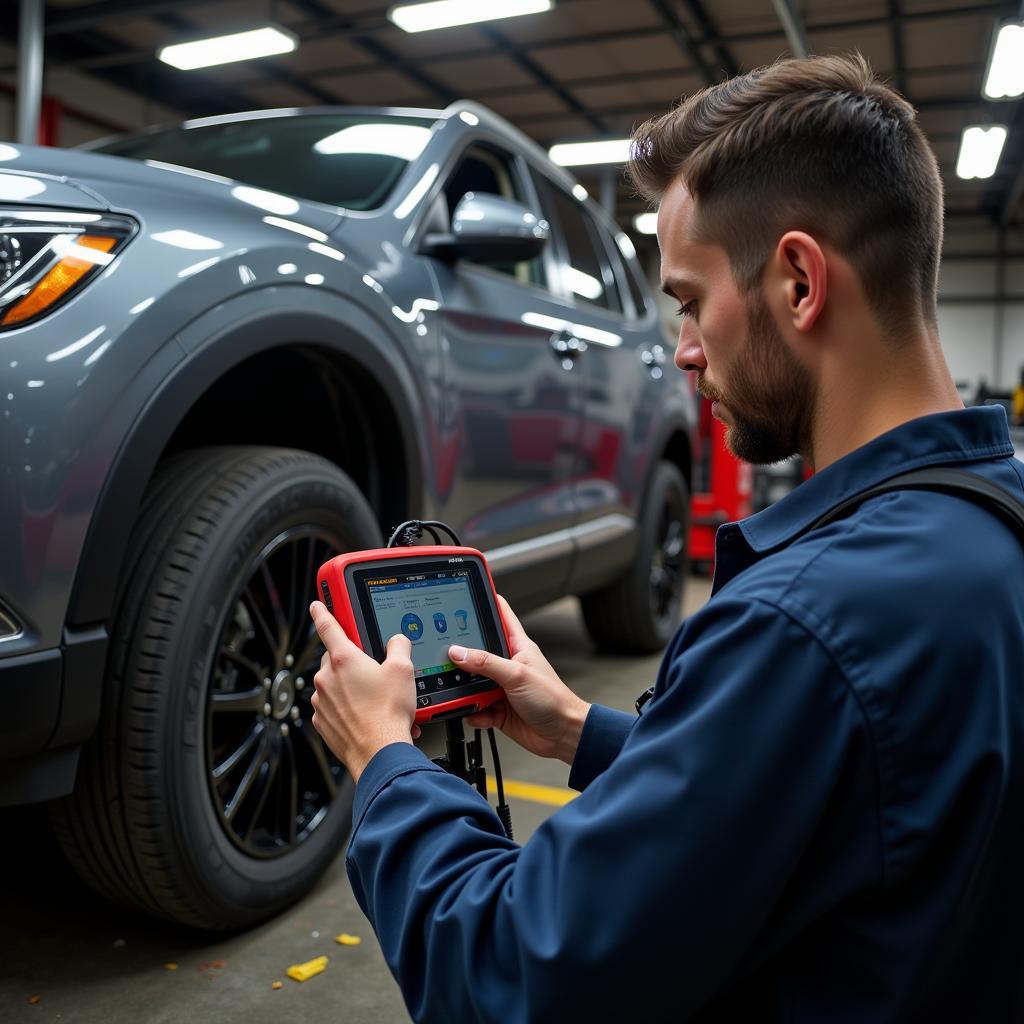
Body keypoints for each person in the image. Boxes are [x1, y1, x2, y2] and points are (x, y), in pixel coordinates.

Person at [308, 53, 1024, 1022]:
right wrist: (579, 729)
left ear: (799, 282)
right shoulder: (989, 525)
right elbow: (841, 787)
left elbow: (513, 974)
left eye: (688, 301)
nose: (681, 348)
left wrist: (383, 759)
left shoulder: (804, 622)